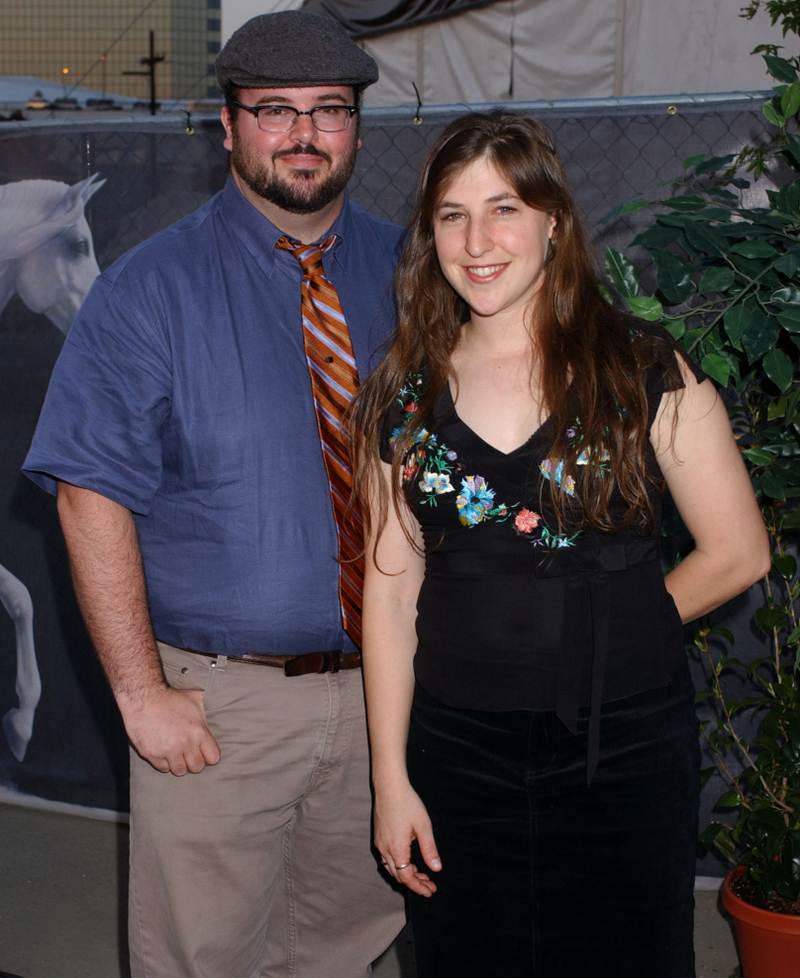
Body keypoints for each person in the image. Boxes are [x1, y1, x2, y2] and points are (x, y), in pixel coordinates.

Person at [22, 11, 406, 978]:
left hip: (393, 697)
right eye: (273, 110)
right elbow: (87, 496)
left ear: (358, 125)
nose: (305, 133)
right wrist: (141, 693)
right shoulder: (148, 289)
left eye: (330, 109)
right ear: (226, 127)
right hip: (220, 710)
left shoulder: (418, 275)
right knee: (204, 961)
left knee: (343, 949)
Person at [351, 112, 770, 978]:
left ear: (552, 221)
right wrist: (390, 783)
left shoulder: (646, 370)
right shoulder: (401, 394)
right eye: (452, 215)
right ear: (429, 235)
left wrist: (609, 627)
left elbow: (738, 552)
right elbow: (390, 595)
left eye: (503, 208)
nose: (478, 241)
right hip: (456, 755)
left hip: (623, 753)